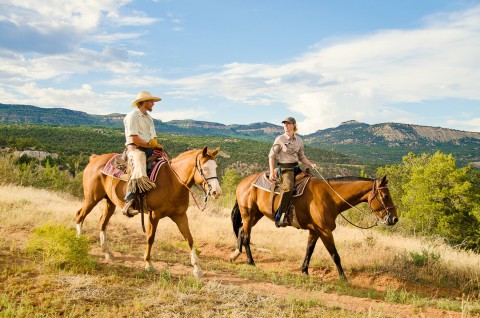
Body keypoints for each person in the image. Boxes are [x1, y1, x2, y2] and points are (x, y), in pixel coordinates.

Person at [268, 117, 317, 227]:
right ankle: (278, 216)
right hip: (285, 169)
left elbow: (302, 157)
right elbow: (272, 156)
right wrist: (271, 172)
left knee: (311, 182)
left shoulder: (299, 140)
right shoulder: (280, 139)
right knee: (288, 188)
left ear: (294, 125)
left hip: (296, 168)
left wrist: (310, 164)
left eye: (288, 124)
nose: (286, 126)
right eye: (284, 124)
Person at [122, 91, 164, 217]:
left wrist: (155, 143)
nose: (153, 104)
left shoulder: (149, 118)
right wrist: (149, 145)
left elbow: (153, 136)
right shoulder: (132, 116)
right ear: (144, 102)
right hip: (135, 148)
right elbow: (134, 138)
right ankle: (129, 201)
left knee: (166, 163)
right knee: (140, 165)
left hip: (148, 148)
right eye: (151, 101)